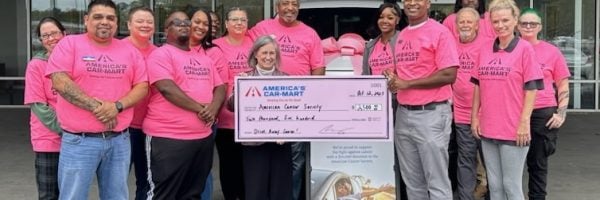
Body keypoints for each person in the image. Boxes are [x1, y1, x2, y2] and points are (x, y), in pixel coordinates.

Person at [46, 0, 148, 199]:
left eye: (110, 18)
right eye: (98, 17)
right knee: (72, 196)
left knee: (117, 196)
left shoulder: (129, 50)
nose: (105, 22)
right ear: (86, 20)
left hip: (119, 141)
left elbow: (142, 86)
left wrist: (117, 107)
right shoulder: (70, 44)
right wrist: (99, 108)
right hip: (79, 142)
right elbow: (59, 80)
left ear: (117, 23)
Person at [143, 10, 225, 199]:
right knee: (163, 193)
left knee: (192, 193)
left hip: (202, 138)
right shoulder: (160, 54)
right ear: (166, 30)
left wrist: (213, 107)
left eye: (187, 22)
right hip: (168, 138)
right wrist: (202, 109)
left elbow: (220, 86)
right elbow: (166, 88)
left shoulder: (203, 58)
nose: (183, 25)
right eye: (176, 22)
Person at [249, 1, 326, 199]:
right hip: (264, 108)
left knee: (294, 159)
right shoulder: (262, 28)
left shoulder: (310, 33)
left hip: (297, 108)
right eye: (285, 3)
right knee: (264, 159)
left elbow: (318, 68)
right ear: (276, 6)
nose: (289, 7)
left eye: (294, 3)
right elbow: (246, 49)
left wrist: (309, 97)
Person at [383, 0, 459, 199]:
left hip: (431, 115)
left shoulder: (440, 32)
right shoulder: (403, 35)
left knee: (437, 183)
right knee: (413, 184)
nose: (412, 3)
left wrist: (407, 84)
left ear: (428, 3)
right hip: (404, 114)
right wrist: (393, 77)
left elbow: (449, 74)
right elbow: (406, 73)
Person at [470, 0, 544, 199]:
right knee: (494, 186)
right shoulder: (484, 49)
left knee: (511, 185)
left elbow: (531, 89)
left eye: (505, 20)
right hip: (488, 127)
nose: (500, 25)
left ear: (515, 21)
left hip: (513, 129)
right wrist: (475, 118)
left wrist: (523, 122)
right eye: (496, 21)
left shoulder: (524, 49)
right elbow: (478, 87)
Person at [226, 35, 293, 200]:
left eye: (272, 53)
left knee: (280, 190)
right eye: (264, 53)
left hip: (280, 143)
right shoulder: (246, 78)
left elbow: (293, 111)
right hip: (254, 144)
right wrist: (240, 87)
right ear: (255, 54)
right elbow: (231, 106)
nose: (268, 57)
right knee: (256, 190)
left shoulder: (286, 79)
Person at [518, 7, 570, 200]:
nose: (528, 26)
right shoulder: (511, 48)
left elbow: (562, 83)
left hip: (542, 113)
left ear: (539, 26)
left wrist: (561, 113)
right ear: (518, 26)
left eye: (533, 23)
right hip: (515, 111)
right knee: (509, 163)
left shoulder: (551, 52)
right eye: (524, 23)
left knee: (537, 163)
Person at [360, 3, 408, 200]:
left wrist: (397, 78)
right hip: (377, 107)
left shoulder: (404, 41)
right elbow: (365, 75)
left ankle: (403, 192)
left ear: (398, 20)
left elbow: (410, 71)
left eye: (390, 17)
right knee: (382, 151)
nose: (385, 21)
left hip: (399, 103)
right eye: (382, 17)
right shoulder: (370, 45)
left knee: (402, 152)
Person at [212, 6, 253, 200]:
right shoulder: (215, 46)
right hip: (225, 116)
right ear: (226, 24)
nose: (239, 23)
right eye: (234, 19)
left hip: (252, 116)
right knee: (228, 163)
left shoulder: (254, 43)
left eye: (243, 20)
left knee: (249, 164)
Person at [452, 7, 492, 200]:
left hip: (487, 114)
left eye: (469, 22)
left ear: (477, 25)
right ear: (456, 25)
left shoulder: (489, 45)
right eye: (462, 22)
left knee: (491, 161)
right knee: (465, 159)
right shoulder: (450, 44)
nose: (465, 25)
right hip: (461, 113)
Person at [24, 16, 66, 200]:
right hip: (48, 139)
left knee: (71, 192)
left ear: (64, 34)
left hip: (75, 141)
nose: (51, 38)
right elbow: (38, 105)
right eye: (45, 36)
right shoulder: (36, 66)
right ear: (41, 41)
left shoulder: (75, 62)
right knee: (49, 194)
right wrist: (66, 129)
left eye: (54, 33)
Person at [122, 6, 157, 200]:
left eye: (149, 22)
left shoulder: (159, 53)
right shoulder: (118, 49)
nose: (145, 25)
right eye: (140, 21)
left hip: (149, 127)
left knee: (146, 179)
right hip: (123, 126)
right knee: (116, 179)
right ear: (128, 24)